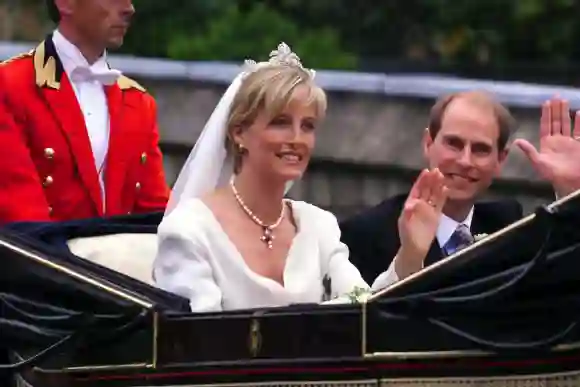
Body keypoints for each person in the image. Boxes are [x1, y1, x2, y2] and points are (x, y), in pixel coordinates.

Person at [153, 43, 448, 312]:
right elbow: (195, 344)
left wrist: (410, 253)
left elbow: (365, 311)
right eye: (280, 123)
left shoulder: (319, 226)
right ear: (239, 132)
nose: (297, 139)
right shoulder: (189, 230)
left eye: (307, 126)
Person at [340, 92, 580, 286]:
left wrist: (570, 192)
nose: (465, 161)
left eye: (480, 149)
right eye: (454, 144)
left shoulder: (507, 225)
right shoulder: (367, 233)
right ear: (428, 144)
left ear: (500, 160)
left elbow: (560, 281)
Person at [0, 0, 169, 224]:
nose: (129, 8)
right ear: (66, 3)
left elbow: (157, 214)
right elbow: (23, 217)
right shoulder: (10, 85)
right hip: (41, 257)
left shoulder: (139, 103)